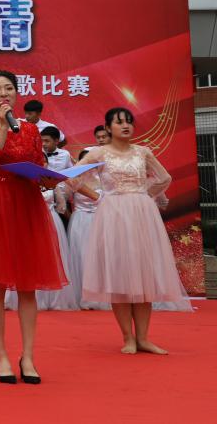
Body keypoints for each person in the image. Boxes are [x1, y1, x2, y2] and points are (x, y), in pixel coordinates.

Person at [0, 71, 67, 385]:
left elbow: (38, 165)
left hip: (26, 204)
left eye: (9, 88)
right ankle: (1, 356)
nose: (3, 94)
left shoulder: (31, 129)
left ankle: (28, 356)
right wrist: (4, 128)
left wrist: (47, 180)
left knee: (27, 284)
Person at [73, 107, 191, 354]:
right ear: (108, 128)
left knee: (143, 274)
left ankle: (143, 338)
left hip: (142, 215)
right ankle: (128, 337)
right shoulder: (98, 153)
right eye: (119, 122)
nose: (125, 126)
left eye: (129, 122)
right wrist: (100, 196)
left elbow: (164, 178)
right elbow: (73, 178)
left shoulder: (143, 152)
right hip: (113, 215)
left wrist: (144, 196)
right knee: (119, 274)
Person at [35, 126, 78, 311]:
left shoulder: (54, 179)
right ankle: (35, 297)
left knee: (54, 256)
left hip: (52, 220)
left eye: (44, 161)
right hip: (33, 222)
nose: (43, 164)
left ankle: (56, 297)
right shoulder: (27, 182)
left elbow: (62, 204)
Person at [57, 149, 105, 310]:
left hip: (101, 221)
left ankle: (103, 297)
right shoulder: (74, 180)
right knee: (83, 257)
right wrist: (71, 216)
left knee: (102, 258)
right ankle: (85, 296)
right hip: (81, 222)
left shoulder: (104, 178)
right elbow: (62, 202)